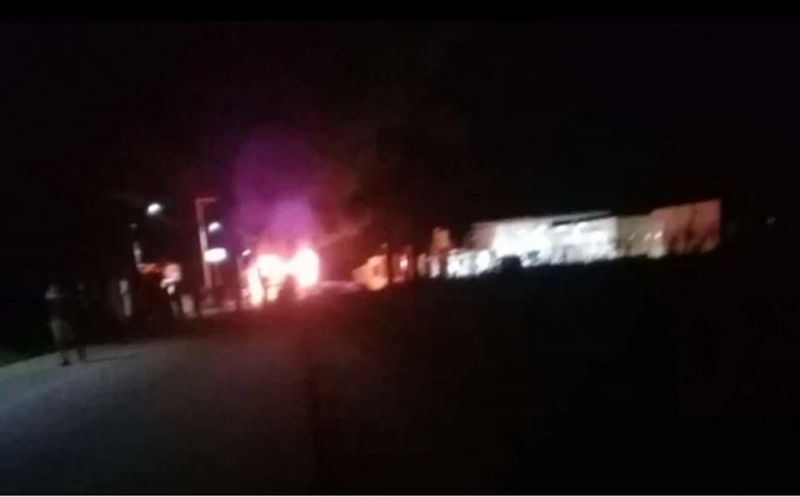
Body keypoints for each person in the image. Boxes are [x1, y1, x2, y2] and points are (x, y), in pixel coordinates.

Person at [45, 282, 86, 366]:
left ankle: (80, 355)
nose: (54, 289)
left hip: (66, 319)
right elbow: (48, 310)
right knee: (59, 340)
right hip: (55, 320)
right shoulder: (50, 298)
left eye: (55, 287)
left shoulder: (62, 296)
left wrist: (80, 292)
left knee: (73, 338)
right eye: (52, 288)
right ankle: (65, 359)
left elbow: (73, 300)